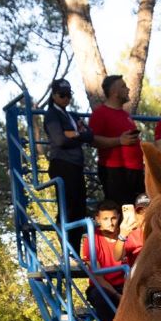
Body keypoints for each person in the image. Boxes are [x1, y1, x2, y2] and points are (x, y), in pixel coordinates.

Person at [90, 75, 144, 207]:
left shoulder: (125, 115)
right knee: (121, 209)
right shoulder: (100, 114)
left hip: (135, 170)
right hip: (115, 171)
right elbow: (93, 140)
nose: (128, 89)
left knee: (140, 209)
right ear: (114, 92)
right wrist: (120, 141)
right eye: (123, 86)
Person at [43, 80, 89, 227]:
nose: (66, 98)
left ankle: (74, 248)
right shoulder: (52, 115)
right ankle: (66, 246)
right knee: (67, 209)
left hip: (76, 165)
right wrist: (79, 136)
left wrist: (74, 134)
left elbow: (90, 136)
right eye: (62, 95)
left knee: (79, 209)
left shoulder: (73, 116)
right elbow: (60, 140)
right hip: (62, 164)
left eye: (69, 95)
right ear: (54, 95)